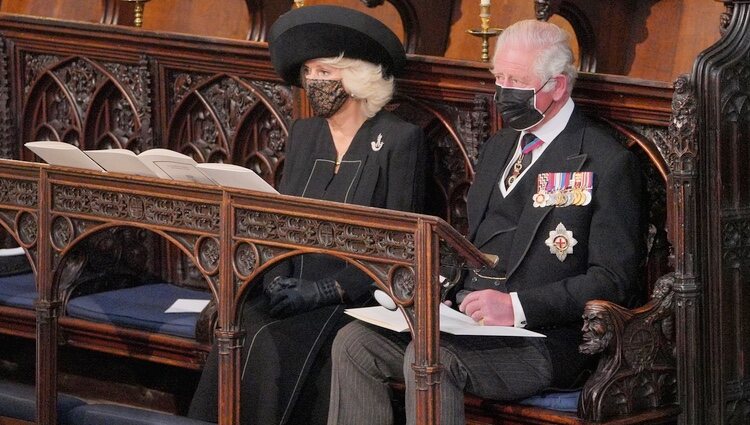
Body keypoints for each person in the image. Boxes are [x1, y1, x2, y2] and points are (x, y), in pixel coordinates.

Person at [327, 19, 645, 425]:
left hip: (547, 338)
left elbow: (613, 280)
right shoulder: (499, 145)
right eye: (499, 77)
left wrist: (516, 307)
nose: (502, 92)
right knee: (355, 343)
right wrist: (436, 289)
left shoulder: (605, 160)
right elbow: (474, 244)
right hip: (469, 321)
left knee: (432, 358)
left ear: (558, 86)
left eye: (516, 80)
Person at [187, 5, 426, 425]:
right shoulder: (305, 133)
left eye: (323, 72)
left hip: (354, 298)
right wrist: (274, 271)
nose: (312, 81)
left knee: (272, 342)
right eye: (308, 72)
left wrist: (327, 290)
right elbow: (282, 219)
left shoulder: (398, 140)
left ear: (354, 77)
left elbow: (401, 244)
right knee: (240, 324)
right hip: (293, 286)